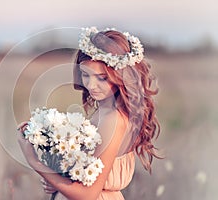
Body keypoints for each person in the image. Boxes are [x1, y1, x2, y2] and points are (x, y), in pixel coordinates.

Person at [17, 27, 161, 200]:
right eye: (85, 75)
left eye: (102, 78)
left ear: (121, 76)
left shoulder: (113, 119)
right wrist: (57, 179)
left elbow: (88, 194)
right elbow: (86, 178)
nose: (91, 85)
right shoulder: (105, 112)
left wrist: (34, 161)